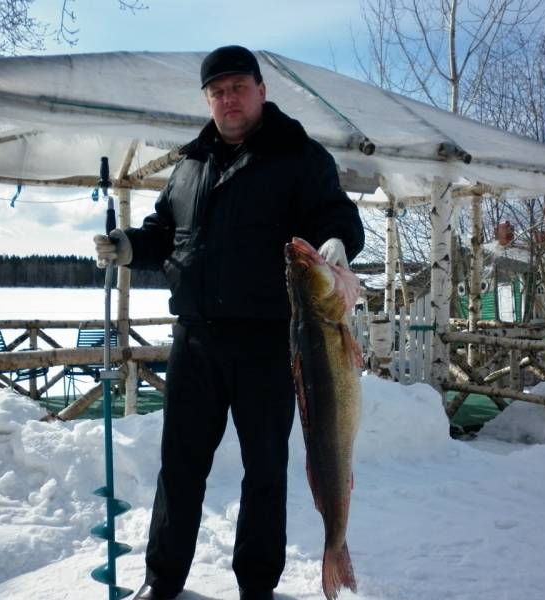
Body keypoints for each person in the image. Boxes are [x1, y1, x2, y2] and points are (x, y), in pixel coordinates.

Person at [94, 45, 364, 600]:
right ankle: (161, 580)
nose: (228, 99)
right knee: (179, 467)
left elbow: (336, 214)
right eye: (217, 92)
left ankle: (257, 587)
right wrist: (129, 246)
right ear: (207, 101)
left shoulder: (299, 156)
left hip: (268, 343)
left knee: (265, 471)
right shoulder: (191, 164)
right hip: (195, 340)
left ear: (261, 90)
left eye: (238, 87)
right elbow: (164, 232)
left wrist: (338, 241)